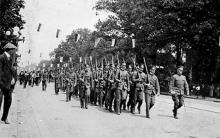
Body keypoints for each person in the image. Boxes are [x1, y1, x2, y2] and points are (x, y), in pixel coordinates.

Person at [0, 43, 17, 124]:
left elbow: (11, 70)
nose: (14, 51)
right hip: (1, 84)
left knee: (8, 102)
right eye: (13, 49)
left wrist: (13, 78)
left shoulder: (10, 59)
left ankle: (4, 117)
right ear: (9, 50)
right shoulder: (1, 57)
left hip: (8, 85)